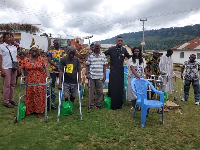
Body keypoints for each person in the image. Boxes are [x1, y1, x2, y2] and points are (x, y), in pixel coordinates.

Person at [21, 45, 48, 118]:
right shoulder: (26, 59)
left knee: (39, 94)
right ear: (30, 51)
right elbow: (22, 67)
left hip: (40, 79)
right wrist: (23, 74)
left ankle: (39, 111)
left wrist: (47, 75)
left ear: (38, 52)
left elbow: (45, 67)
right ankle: (30, 110)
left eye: (36, 51)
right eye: (33, 50)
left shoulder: (41, 59)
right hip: (30, 79)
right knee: (30, 94)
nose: (34, 52)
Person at [104, 36, 130, 110]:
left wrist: (138, 56)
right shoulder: (111, 49)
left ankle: (119, 104)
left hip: (120, 72)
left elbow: (129, 57)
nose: (120, 42)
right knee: (113, 87)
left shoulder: (124, 50)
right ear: (116, 41)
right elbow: (103, 54)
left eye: (121, 41)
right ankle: (112, 104)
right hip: (113, 72)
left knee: (119, 88)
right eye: (118, 41)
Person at [86, 42, 107, 110]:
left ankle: (98, 104)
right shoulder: (90, 56)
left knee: (100, 92)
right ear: (94, 48)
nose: (97, 48)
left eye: (98, 47)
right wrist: (87, 73)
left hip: (100, 77)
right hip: (92, 76)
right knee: (91, 92)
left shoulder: (103, 55)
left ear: (100, 47)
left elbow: (104, 66)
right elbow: (87, 65)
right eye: (96, 47)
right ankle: (90, 105)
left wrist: (104, 75)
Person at [0, 32, 18, 108]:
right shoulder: (1, 46)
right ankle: (6, 101)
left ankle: (11, 99)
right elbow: (0, 59)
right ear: (4, 38)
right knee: (6, 85)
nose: (10, 38)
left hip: (13, 67)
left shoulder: (14, 47)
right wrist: (1, 69)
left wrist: (18, 68)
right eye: (7, 37)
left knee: (13, 84)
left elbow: (16, 59)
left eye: (11, 37)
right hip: (6, 67)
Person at [47, 39, 64, 109]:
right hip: (53, 70)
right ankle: (51, 102)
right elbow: (49, 59)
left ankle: (61, 101)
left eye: (58, 43)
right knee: (52, 84)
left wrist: (60, 66)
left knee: (61, 83)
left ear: (60, 44)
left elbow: (65, 59)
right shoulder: (51, 52)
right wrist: (55, 65)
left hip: (61, 70)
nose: (57, 44)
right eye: (55, 43)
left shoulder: (63, 52)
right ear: (53, 44)